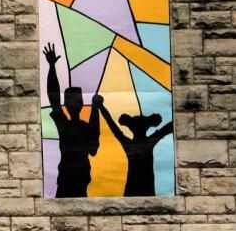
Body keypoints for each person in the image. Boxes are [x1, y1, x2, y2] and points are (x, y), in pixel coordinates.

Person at [44, 43, 104, 198]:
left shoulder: (73, 125)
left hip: (79, 177)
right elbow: (54, 100)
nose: (74, 104)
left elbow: (93, 149)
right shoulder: (66, 125)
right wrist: (51, 67)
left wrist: (95, 109)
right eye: (72, 101)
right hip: (68, 177)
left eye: (77, 101)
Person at [96, 107, 174, 197]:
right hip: (146, 186)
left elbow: (111, 124)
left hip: (133, 185)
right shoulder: (149, 142)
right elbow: (168, 128)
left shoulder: (129, 144)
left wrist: (101, 106)